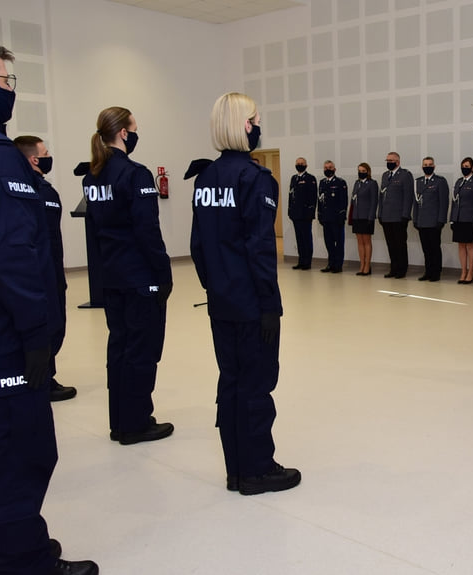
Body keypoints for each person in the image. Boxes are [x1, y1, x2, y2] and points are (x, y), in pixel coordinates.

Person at [0, 35, 98, 575]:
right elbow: (12, 255)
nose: (9, 92)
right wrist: (37, 333)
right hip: (1, 338)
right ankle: (23, 563)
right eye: (6, 81)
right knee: (20, 454)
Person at [188, 92, 301, 495]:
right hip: (252, 303)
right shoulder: (255, 180)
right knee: (256, 384)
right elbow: (259, 249)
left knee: (231, 383)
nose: (258, 125)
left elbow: (199, 245)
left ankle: (236, 469)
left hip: (221, 302)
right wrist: (270, 304)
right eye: (255, 119)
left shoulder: (205, 178)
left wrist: (216, 286)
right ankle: (257, 470)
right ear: (243, 125)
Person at [82, 106, 173, 446]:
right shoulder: (134, 174)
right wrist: (163, 273)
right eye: (134, 128)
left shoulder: (92, 176)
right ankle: (136, 424)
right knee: (142, 350)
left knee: (119, 348)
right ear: (123, 133)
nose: (136, 134)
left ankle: (120, 421)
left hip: (112, 276)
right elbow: (148, 230)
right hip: (139, 278)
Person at [14, 135, 78, 402]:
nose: (49, 155)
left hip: (45, 268)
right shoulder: (37, 191)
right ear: (34, 159)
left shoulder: (32, 188)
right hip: (44, 269)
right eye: (45, 152)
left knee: (52, 323)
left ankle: (45, 374)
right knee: (51, 324)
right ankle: (43, 378)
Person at [412, 156, 449, 281]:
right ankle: (428, 271)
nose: (427, 166)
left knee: (435, 248)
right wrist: (415, 219)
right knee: (426, 249)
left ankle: (436, 272)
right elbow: (416, 202)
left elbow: (444, 202)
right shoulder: (418, 182)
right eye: (425, 164)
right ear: (422, 167)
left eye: (430, 164)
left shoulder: (440, 181)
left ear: (434, 166)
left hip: (434, 222)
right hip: (422, 221)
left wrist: (441, 220)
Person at [378, 151, 414, 278]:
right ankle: (393, 268)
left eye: (391, 161)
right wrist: (380, 214)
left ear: (398, 162)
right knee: (391, 245)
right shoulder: (385, 175)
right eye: (387, 161)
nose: (389, 163)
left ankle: (402, 270)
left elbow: (408, 197)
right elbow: (381, 196)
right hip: (386, 217)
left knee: (400, 245)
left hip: (399, 217)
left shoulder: (405, 175)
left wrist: (405, 215)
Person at [317, 160, 348, 273]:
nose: (327, 169)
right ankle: (331, 263)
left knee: (339, 244)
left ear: (334, 169)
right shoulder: (322, 183)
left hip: (337, 219)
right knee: (329, 243)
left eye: (330, 167)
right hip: (326, 218)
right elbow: (320, 200)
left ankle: (338, 265)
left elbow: (343, 201)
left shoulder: (340, 182)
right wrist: (319, 214)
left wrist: (342, 215)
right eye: (325, 168)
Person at [451, 157, 473, 284]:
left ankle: (471, 272)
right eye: (463, 166)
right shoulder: (458, 182)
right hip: (458, 219)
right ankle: (463, 271)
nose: (464, 168)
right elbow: (454, 201)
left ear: (472, 168)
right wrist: (452, 219)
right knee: (461, 246)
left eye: (467, 166)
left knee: (470, 247)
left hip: (470, 219)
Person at [288, 156, 317, 270]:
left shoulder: (310, 178)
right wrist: (289, 210)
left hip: (305, 214)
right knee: (299, 239)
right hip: (295, 214)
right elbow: (291, 195)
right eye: (298, 163)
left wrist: (311, 212)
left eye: (302, 163)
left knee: (306, 239)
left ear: (306, 165)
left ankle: (307, 262)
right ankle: (301, 260)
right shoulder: (293, 178)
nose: (300, 165)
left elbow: (313, 197)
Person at [351, 162, 378, 275]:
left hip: (366, 217)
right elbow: (353, 200)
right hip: (357, 216)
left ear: (368, 172)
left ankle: (367, 265)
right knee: (359, 242)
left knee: (366, 241)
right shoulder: (357, 183)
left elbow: (374, 201)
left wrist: (371, 217)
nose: (361, 173)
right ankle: (361, 264)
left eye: (363, 171)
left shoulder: (372, 183)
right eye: (359, 171)